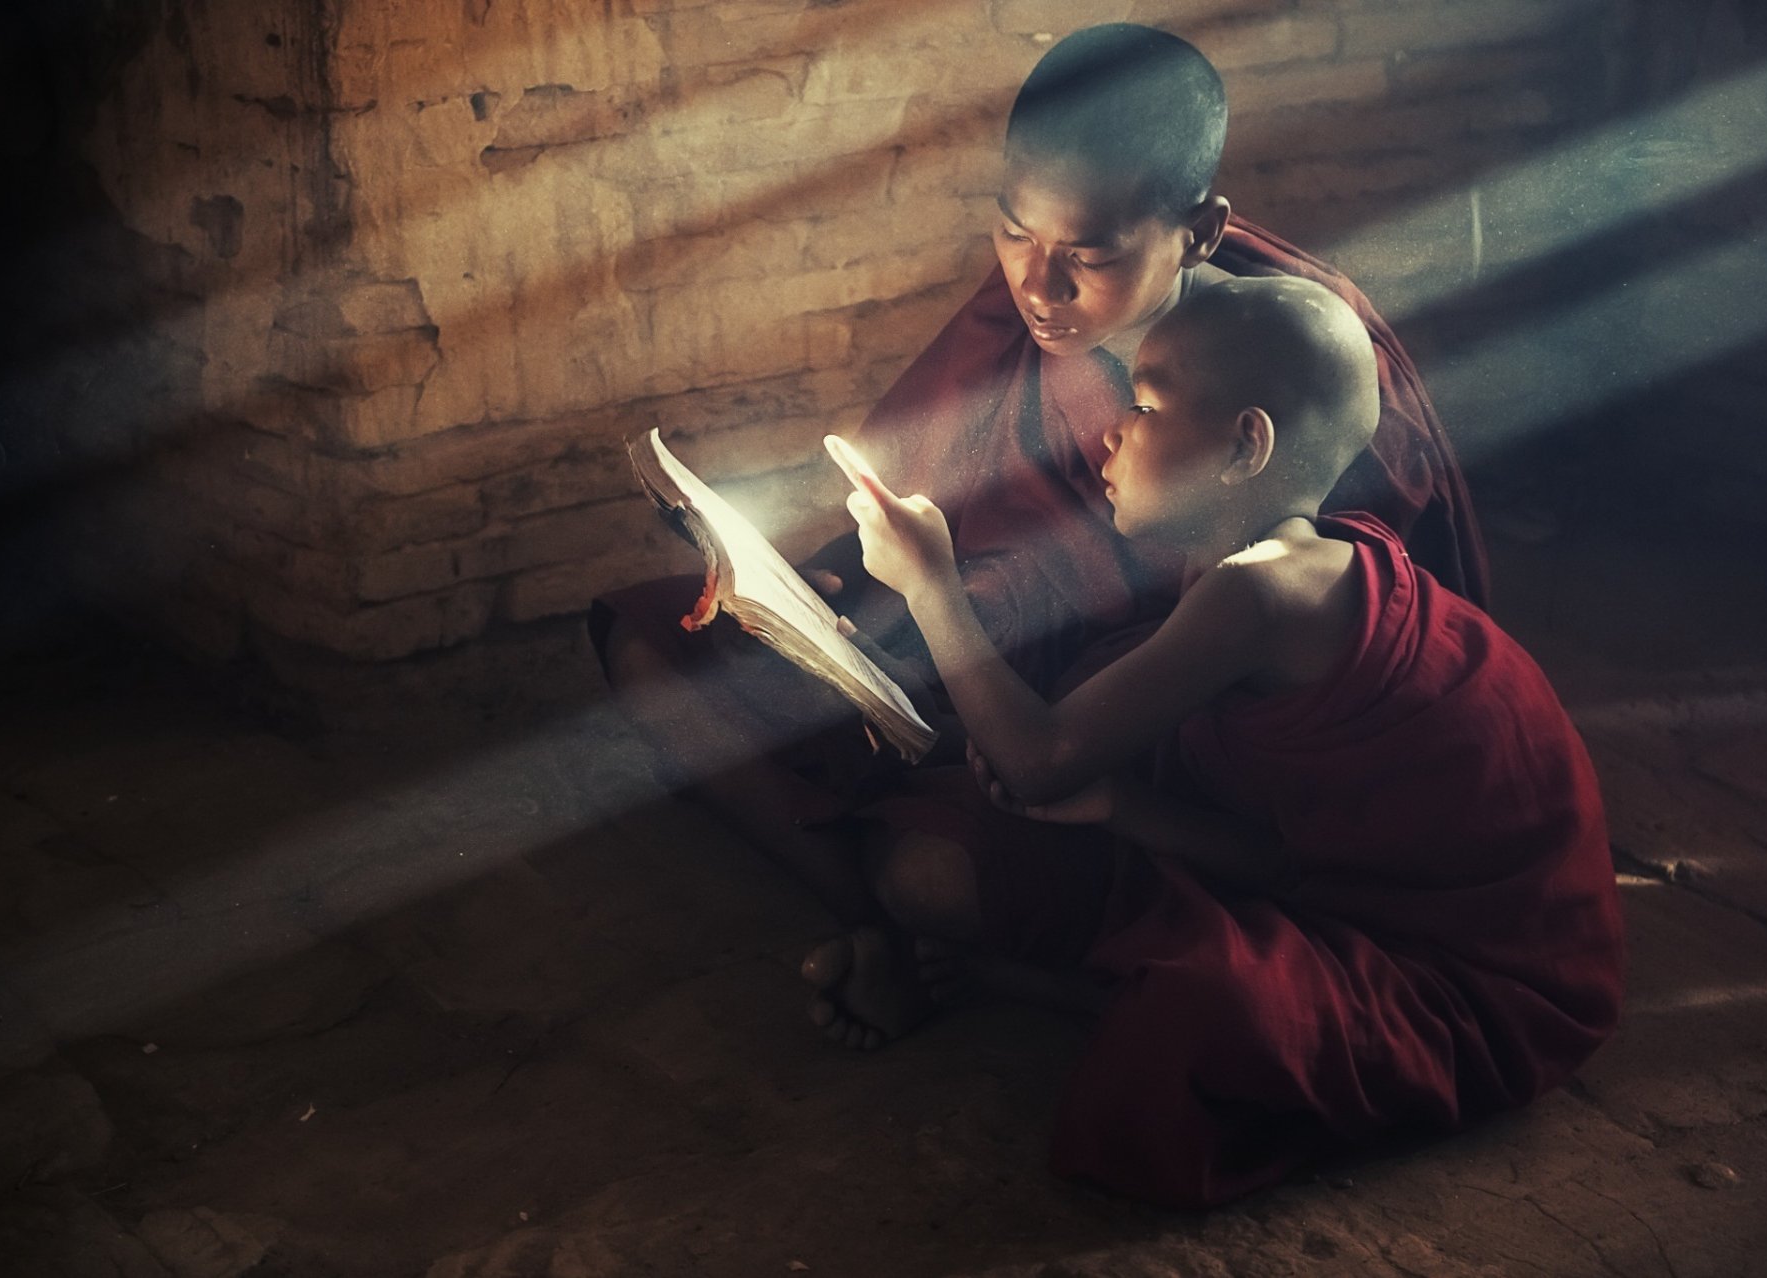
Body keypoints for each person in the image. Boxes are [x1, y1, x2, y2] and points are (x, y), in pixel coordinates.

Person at [590, 25, 1486, 1005]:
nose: (1038, 286)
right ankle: (882, 928)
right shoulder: (1034, 309)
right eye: (1015, 231)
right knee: (656, 651)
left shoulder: (1292, 376)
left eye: (1087, 257)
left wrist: (956, 625)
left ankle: (888, 921)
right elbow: (937, 497)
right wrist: (832, 595)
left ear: (1201, 231)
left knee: (934, 870)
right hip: (963, 674)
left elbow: (1324, 698)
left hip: (1127, 753)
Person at [818, 276, 1624, 1206]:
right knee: (943, 856)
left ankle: (1008, 985)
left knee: (1210, 1008)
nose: (1111, 433)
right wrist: (1118, 801)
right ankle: (1012, 972)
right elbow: (1274, 853)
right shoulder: (1250, 568)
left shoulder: (1268, 589)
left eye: (1146, 406)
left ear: (1249, 443)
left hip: (1479, 974)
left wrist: (931, 585)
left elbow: (1037, 759)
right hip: (1316, 882)